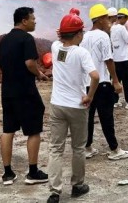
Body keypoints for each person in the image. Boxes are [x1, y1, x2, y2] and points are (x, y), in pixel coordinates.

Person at [47, 13, 99, 203]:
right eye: (81, 32)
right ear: (77, 34)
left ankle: (54, 191)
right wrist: (90, 96)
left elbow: (58, 39)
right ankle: (78, 185)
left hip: (57, 105)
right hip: (77, 106)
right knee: (78, 147)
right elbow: (95, 76)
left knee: (55, 148)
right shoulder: (81, 53)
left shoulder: (55, 47)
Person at [0, 7, 49, 185]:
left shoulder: (4, 41)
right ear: (24, 21)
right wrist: (39, 73)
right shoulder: (27, 39)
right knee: (34, 130)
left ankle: (7, 173)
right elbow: (29, 63)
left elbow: (0, 65)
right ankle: (33, 172)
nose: (35, 21)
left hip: (7, 91)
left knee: (8, 130)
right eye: (33, 19)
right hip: (25, 90)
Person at [80, 4, 128, 160]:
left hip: (88, 84)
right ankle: (114, 149)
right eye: (107, 18)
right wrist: (115, 81)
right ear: (101, 19)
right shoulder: (102, 36)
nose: (109, 21)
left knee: (88, 118)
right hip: (102, 83)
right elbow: (108, 60)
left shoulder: (84, 37)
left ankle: (87, 147)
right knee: (106, 117)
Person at [111, 8, 128, 109]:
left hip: (115, 59)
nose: (126, 20)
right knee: (126, 82)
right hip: (123, 59)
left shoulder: (112, 27)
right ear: (123, 17)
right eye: (126, 18)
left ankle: (115, 101)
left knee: (116, 80)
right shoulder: (121, 28)